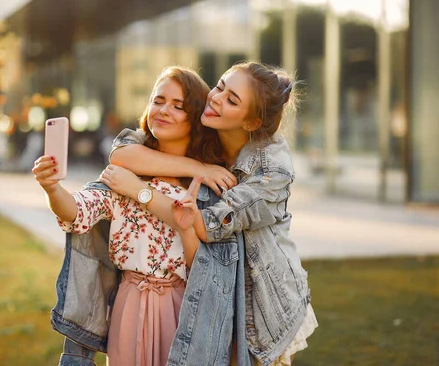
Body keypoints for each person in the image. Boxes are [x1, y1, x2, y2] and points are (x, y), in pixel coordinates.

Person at [104, 61, 318, 366]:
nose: (216, 98)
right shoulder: (206, 130)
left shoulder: (272, 168)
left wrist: (141, 192)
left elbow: (205, 225)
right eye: (219, 86)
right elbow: (123, 153)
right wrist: (198, 167)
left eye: (232, 100)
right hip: (216, 292)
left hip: (262, 303)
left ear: (252, 122)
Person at [32, 66, 224, 366]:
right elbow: (78, 211)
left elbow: (207, 265)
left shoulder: (206, 188)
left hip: (184, 308)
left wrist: (182, 222)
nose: (163, 110)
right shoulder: (125, 173)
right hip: (129, 304)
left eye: (178, 106)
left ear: (196, 116)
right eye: (158, 101)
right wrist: (52, 188)